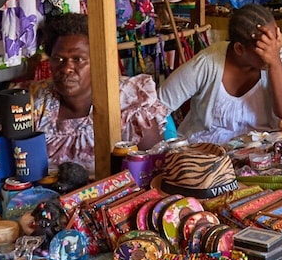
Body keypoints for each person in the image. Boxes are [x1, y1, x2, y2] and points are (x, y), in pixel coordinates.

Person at [29, 13, 176, 168]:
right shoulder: (37, 102)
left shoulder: (128, 100)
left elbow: (154, 167)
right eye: (58, 59)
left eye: (78, 59)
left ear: (98, 61)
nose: (66, 69)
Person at [160, 4, 282, 144]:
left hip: (259, 153)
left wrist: (275, 63)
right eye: (263, 47)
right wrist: (171, 143)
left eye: (275, 41)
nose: (272, 51)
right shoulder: (207, 63)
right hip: (207, 151)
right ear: (239, 49)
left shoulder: (279, 58)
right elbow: (158, 105)